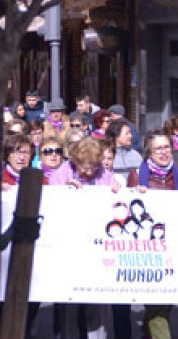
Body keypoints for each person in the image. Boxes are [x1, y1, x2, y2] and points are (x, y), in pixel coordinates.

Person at [124, 130, 178, 339]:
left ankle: (148, 334)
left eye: (167, 147)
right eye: (158, 148)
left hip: (173, 247)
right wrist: (134, 193)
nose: (164, 152)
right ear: (149, 153)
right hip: (148, 251)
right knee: (157, 303)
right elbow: (128, 209)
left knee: (166, 301)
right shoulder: (137, 175)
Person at [48, 137, 118, 339]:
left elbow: (116, 198)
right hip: (68, 247)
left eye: (93, 167)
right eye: (84, 167)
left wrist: (116, 192)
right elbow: (51, 204)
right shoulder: (61, 173)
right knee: (69, 303)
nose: (88, 172)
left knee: (96, 301)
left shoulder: (104, 173)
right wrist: (63, 192)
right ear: (74, 162)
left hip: (98, 247)